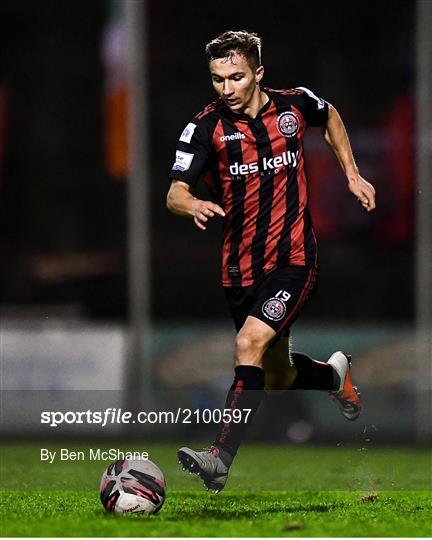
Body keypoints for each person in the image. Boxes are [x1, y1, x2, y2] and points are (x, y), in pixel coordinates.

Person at [166, 30, 376, 493]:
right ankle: (332, 375)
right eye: (218, 79)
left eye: (236, 77)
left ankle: (219, 459)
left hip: (293, 259)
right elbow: (175, 191)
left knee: (247, 345)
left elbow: (330, 115)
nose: (226, 88)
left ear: (258, 73)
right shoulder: (205, 128)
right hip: (240, 269)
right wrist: (192, 204)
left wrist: (352, 174)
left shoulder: (294, 106)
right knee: (276, 376)